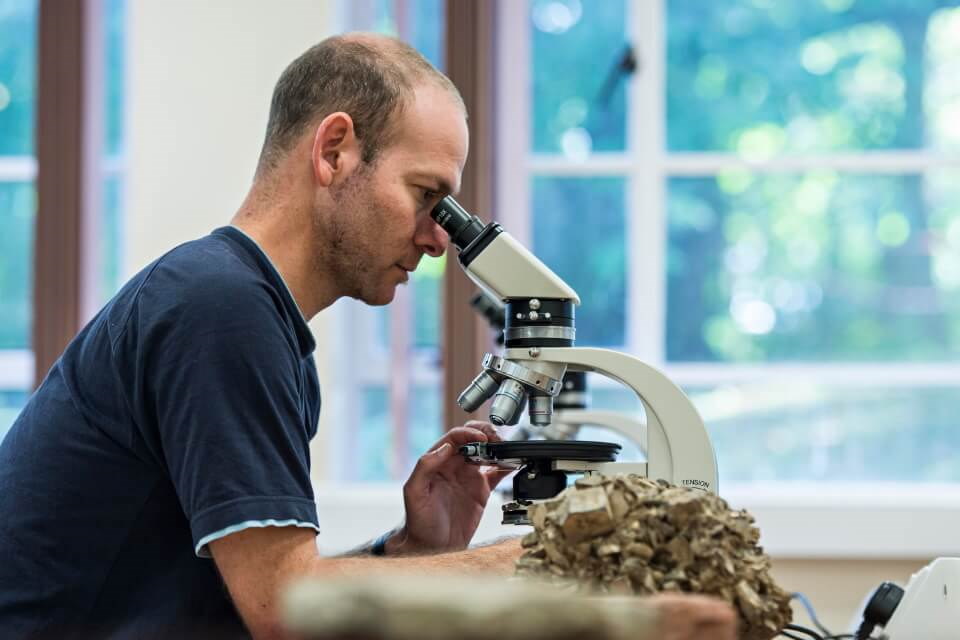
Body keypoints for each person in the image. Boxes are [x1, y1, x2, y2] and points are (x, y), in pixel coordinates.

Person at [0, 33, 736, 640]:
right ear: (334, 151)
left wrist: (412, 550)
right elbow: (283, 612)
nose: (438, 240)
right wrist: (565, 557)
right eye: (427, 197)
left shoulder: (249, 313)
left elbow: (245, 602)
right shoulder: (219, 308)